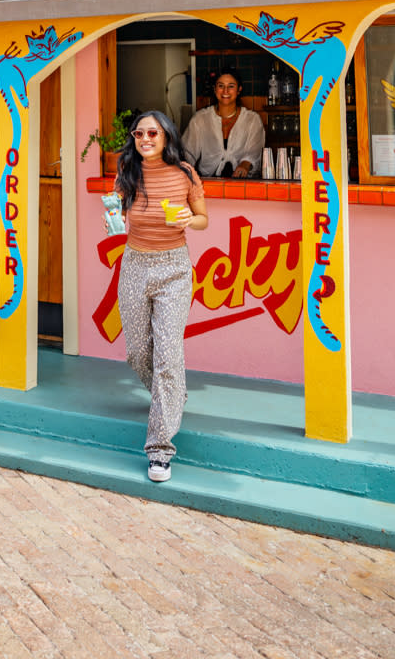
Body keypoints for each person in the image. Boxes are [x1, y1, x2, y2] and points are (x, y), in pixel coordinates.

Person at [115, 110, 208, 483]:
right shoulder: (128, 172)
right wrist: (115, 216)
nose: (145, 139)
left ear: (166, 136)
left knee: (169, 354)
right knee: (138, 352)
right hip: (135, 264)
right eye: (139, 134)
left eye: (152, 132)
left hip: (173, 269)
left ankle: (160, 450)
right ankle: (172, 393)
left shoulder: (185, 172)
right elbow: (120, 212)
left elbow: (203, 218)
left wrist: (188, 218)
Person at [181, 68, 265, 178]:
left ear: (239, 89)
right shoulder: (200, 119)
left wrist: (245, 164)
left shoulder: (252, 120)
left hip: (243, 184)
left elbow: (254, 152)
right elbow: (186, 154)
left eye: (231, 86)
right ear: (215, 89)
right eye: (221, 86)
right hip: (208, 184)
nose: (225, 91)